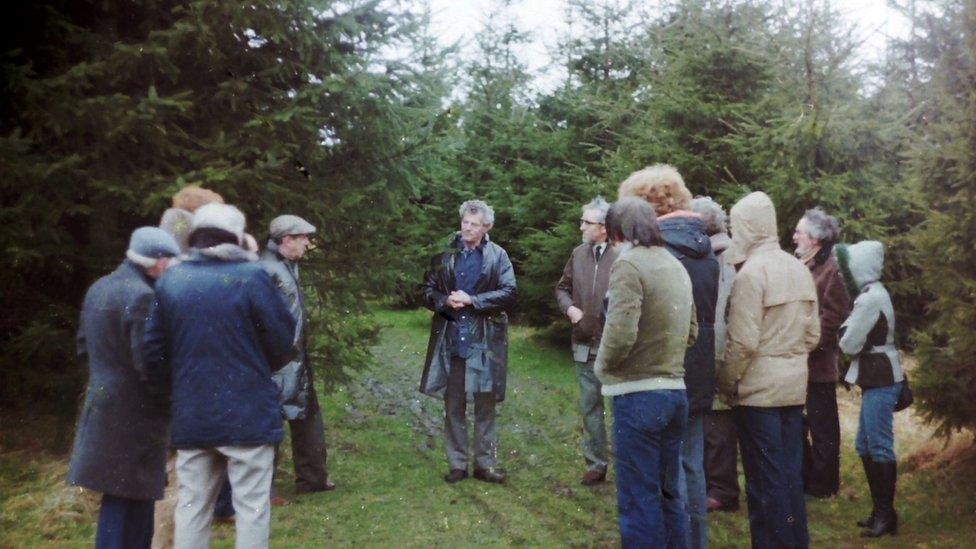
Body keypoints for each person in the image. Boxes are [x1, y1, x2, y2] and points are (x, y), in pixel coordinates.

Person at [144, 203, 296, 548]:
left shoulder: (171, 280)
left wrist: (182, 386)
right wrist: (255, 371)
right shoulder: (252, 276)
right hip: (248, 415)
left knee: (192, 507)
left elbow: (153, 352)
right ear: (236, 237)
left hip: (193, 414)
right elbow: (283, 341)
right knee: (252, 509)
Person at [619, 165, 718, 548]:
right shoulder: (706, 253)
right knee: (691, 467)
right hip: (696, 371)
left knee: (658, 476)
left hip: (659, 374)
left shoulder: (655, 256)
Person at [718, 191, 820, 549]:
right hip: (793, 389)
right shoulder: (799, 268)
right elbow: (813, 335)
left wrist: (726, 383)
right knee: (790, 479)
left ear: (746, 227)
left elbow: (742, 343)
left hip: (758, 396)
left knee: (764, 486)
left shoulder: (750, 275)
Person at [67, 227, 181, 549]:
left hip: (104, 405)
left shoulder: (99, 287)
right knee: (130, 504)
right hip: (136, 413)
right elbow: (149, 363)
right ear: (157, 262)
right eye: (170, 261)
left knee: (124, 497)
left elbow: (82, 348)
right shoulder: (142, 296)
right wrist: (169, 403)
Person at [595, 197, 697, 548]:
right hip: (675, 392)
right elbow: (693, 331)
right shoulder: (675, 264)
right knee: (669, 495)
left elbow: (620, 332)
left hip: (637, 396)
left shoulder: (628, 265)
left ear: (616, 233)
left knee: (639, 499)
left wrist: (602, 367)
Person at [420, 200, 517, 484]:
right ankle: (457, 464)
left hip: (485, 340)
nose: (466, 227)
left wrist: (473, 300)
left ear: (486, 227)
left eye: (473, 224)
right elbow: (425, 289)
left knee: (485, 403)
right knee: (454, 403)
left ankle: (485, 465)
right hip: (452, 338)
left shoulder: (499, 256)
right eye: (464, 221)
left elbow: (510, 293)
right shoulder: (444, 253)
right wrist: (443, 300)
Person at [262, 214, 335, 500]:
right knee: (271, 425)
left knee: (306, 417)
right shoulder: (267, 270)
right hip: (278, 363)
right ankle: (263, 491)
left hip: (296, 359)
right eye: (303, 237)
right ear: (286, 240)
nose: (308, 242)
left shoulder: (287, 266)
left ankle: (313, 479)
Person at [836, 240, 905, 538]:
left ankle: (886, 515)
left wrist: (845, 334)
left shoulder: (868, 300)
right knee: (865, 445)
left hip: (881, 378)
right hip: (878, 376)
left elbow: (848, 343)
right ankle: (881, 511)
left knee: (877, 445)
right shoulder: (873, 294)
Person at [554, 196, 618, 486]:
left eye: (586, 222)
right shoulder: (578, 254)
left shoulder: (623, 256)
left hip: (614, 348)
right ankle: (596, 464)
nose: (581, 227)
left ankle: (625, 465)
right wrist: (569, 308)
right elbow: (562, 288)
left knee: (619, 410)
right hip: (583, 343)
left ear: (604, 228)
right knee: (590, 406)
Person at [793, 208, 851, 499]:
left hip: (819, 364)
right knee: (801, 424)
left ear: (815, 239)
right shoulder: (802, 263)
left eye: (799, 232)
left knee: (823, 427)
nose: (793, 237)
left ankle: (824, 485)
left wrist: (806, 347)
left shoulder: (832, 269)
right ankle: (806, 479)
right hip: (798, 362)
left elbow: (832, 320)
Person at [689, 197, 740, 513]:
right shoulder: (716, 252)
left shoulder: (723, 256)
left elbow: (723, 310)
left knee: (718, 422)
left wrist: (717, 356)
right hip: (713, 348)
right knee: (711, 421)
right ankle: (716, 485)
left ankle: (723, 490)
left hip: (719, 351)